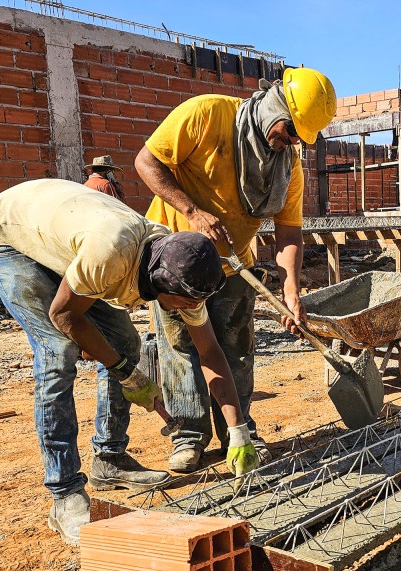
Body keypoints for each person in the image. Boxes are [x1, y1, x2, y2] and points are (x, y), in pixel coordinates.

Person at [0, 179, 259, 546]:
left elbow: (210, 354)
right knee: (58, 352)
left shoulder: (180, 264)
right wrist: (126, 373)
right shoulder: (111, 255)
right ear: (161, 287)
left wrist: (238, 430)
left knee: (124, 341)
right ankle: (65, 493)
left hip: (69, 238)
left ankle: (110, 460)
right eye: (185, 304)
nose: (190, 310)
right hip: (8, 235)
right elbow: (64, 315)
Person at [135, 67, 336, 472]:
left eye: (300, 137)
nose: (291, 141)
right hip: (177, 264)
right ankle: (189, 435)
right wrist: (191, 211)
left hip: (234, 266)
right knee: (181, 349)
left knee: (237, 351)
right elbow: (146, 161)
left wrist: (291, 291)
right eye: (290, 129)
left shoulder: (288, 166)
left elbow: (289, 232)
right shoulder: (206, 114)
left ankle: (239, 429)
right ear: (276, 103)